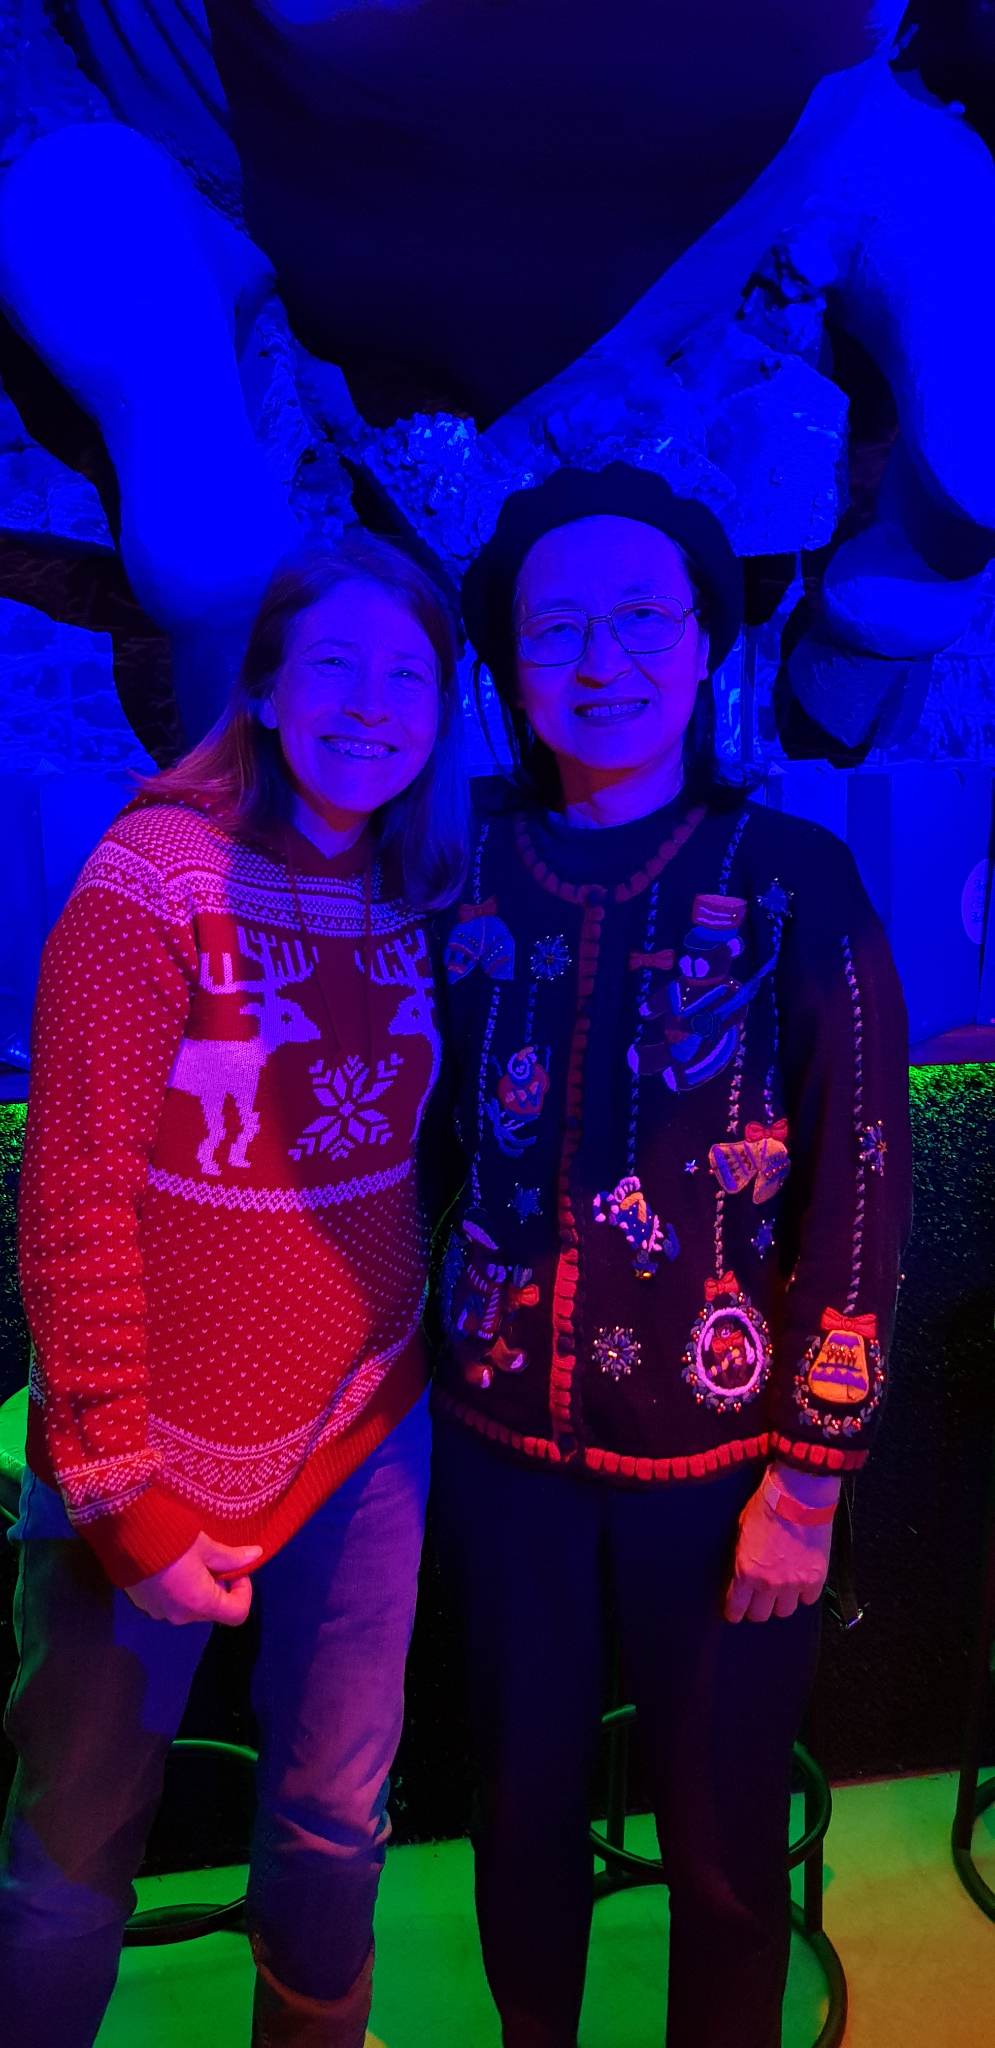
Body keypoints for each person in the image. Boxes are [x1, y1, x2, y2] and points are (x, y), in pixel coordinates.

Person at [431, 463, 912, 2048]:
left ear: (706, 644)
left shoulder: (792, 880)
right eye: (555, 623)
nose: (599, 656)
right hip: (500, 1451)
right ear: (504, 663)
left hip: (724, 1467)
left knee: (718, 1860)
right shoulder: (463, 870)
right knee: (517, 1825)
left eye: (642, 616)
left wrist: (814, 1477)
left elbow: (860, 1182)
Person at [0, 533, 468, 2048]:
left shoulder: (421, 885)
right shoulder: (152, 877)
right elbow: (71, 1198)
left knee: (336, 1824)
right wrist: (123, 1493)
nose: (372, 704)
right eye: (333, 663)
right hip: (134, 1446)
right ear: (262, 687)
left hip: (362, 1421)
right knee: (70, 1861)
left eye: (410, 676)